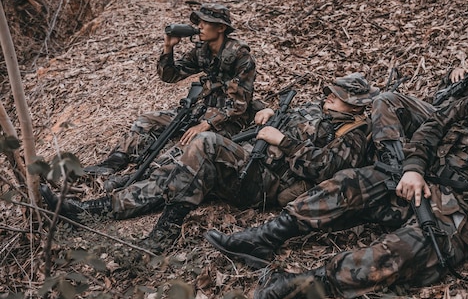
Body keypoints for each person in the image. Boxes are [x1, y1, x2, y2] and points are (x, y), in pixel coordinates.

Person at [204, 42, 468, 299]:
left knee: (394, 255)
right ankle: (265, 237)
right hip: (418, 185)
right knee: (350, 182)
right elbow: (431, 129)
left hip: (461, 220)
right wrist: (414, 168)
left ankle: (293, 285)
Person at [42, 73, 380, 254]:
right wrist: (267, 111)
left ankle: (167, 230)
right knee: (181, 174)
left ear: (353, 106)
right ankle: (91, 210)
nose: (327, 97)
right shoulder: (318, 110)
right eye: (330, 93)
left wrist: (282, 141)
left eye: (335, 96)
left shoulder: (353, 134)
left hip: (270, 184)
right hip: (254, 165)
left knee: (205, 143)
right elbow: (277, 114)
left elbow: (326, 170)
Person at [84, 3, 256, 175]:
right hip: (202, 110)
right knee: (146, 120)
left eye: (206, 22)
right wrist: (169, 48)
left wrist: (206, 124)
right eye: (199, 22)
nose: (200, 26)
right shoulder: (202, 51)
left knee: (184, 145)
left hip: (227, 120)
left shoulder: (240, 54)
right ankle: (114, 162)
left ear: (221, 27)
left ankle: (149, 176)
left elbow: (239, 105)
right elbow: (170, 76)